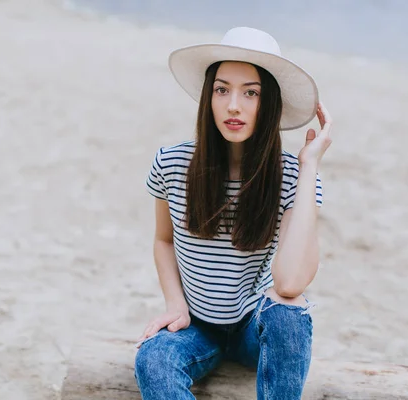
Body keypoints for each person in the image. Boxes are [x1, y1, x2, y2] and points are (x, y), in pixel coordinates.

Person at [134, 26, 332, 400]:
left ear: (269, 101)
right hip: (196, 328)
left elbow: (290, 284)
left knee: (289, 315)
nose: (233, 105)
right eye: (221, 89)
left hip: (253, 329)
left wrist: (308, 167)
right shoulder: (172, 163)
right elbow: (163, 240)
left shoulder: (293, 175)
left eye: (251, 93)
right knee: (153, 359)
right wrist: (176, 305)